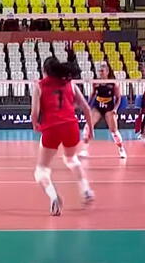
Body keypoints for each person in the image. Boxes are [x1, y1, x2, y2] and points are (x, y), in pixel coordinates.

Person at [31, 57, 95, 216]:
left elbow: (34, 112)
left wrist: (35, 125)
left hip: (52, 128)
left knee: (41, 170)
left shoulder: (39, 86)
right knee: (71, 159)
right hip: (71, 126)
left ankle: (53, 196)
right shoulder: (70, 84)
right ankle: (86, 189)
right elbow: (86, 108)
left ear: (45, 71)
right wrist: (91, 129)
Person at [79, 61, 126, 159]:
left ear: (107, 72)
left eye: (102, 71)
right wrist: (88, 105)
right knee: (88, 126)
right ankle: (84, 149)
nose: (100, 72)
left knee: (114, 131)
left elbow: (118, 98)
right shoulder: (96, 82)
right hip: (98, 106)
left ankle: (121, 149)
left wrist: (115, 109)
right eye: (99, 71)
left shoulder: (113, 84)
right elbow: (92, 94)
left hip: (109, 108)